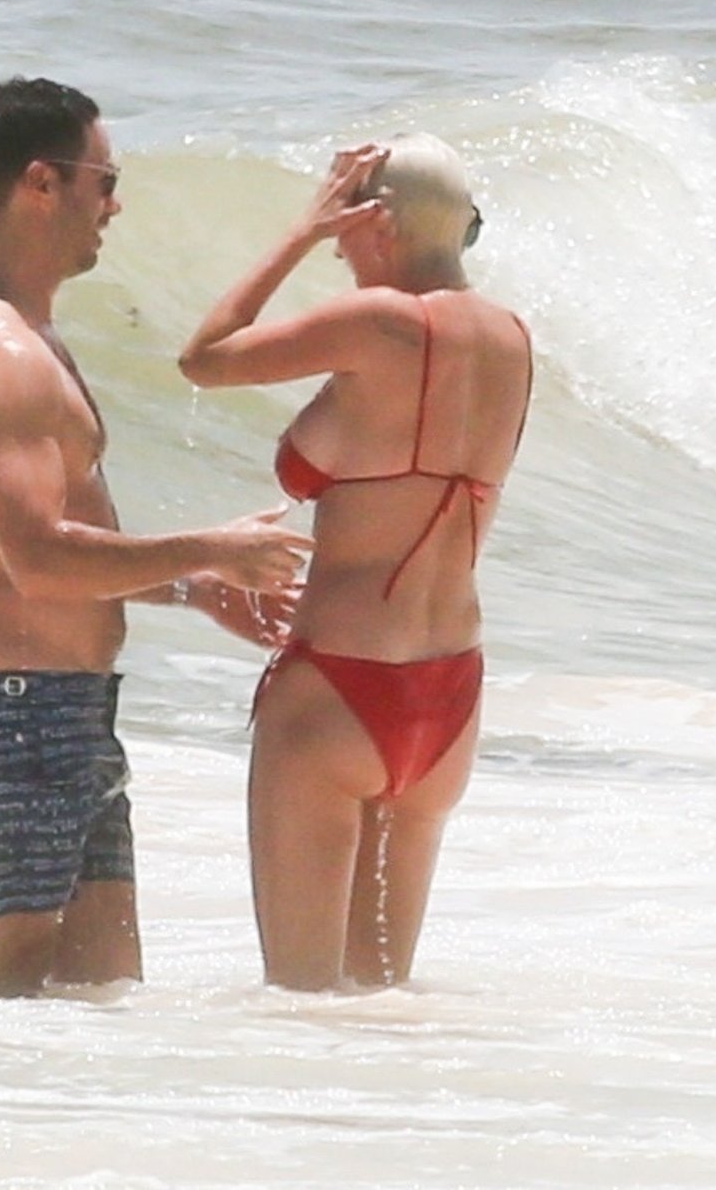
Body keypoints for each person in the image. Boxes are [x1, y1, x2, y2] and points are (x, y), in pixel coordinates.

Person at [0, 77, 312, 1000]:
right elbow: (36, 558)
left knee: (101, 1004)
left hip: (67, 711)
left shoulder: (31, 340)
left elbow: (56, 554)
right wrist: (210, 549)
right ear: (41, 184)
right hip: (19, 717)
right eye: (105, 179)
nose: (115, 203)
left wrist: (191, 590)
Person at [179, 136, 532, 991]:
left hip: (338, 684)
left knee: (299, 1003)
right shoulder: (511, 340)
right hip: (447, 693)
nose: (337, 247)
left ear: (378, 220)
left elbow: (205, 357)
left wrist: (297, 231)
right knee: (380, 1013)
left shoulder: (376, 324)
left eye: (343, 222)